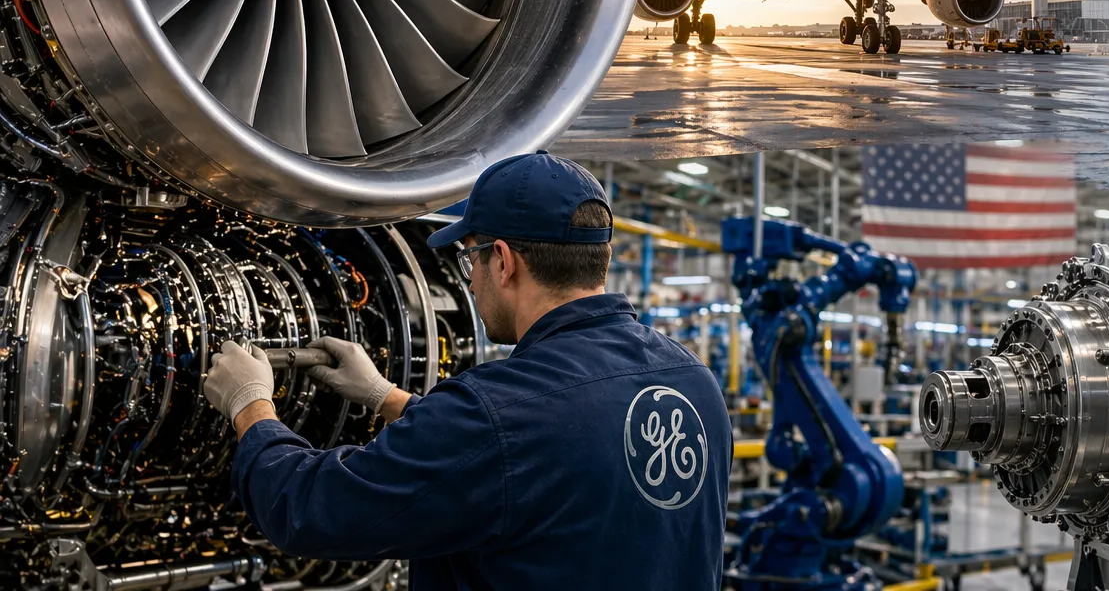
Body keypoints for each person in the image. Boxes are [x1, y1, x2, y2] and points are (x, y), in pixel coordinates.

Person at [203, 151, 731, 590]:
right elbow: (545, 460)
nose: (471, 281)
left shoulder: (495, 413)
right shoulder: (694, 382)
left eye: (470, 259)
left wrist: (251, 405)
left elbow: (310, 510)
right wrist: (389, 398)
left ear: (503, 261)